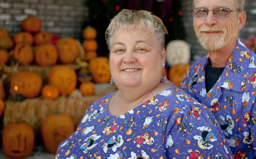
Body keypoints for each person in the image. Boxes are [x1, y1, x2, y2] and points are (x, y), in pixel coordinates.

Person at [55, 9, 232, 158]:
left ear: (162, 56)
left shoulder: (184, 117)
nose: (128, 58)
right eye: (119, 49)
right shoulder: (97, 109)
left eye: (141, 49)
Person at [180, 0, 256, 158]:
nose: (209, 20)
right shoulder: (192, 75)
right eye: (201, 11)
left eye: (222, 11)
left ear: (240, 20)